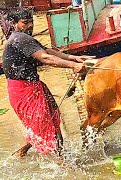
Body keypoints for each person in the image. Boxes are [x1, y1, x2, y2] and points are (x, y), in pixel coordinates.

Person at [2, 7, 95, 158]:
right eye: (25, 23)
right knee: (47, 129)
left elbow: (47, 51)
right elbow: (45, 58)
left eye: (31, 22)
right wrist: (74, 66)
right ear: (14, 23)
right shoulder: (20, 39)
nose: (30, 26)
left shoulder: (22, 37)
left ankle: (22, 152)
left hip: (29, 86)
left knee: (48, 121)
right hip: (24, 91)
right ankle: (60, 163)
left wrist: (73, 58)